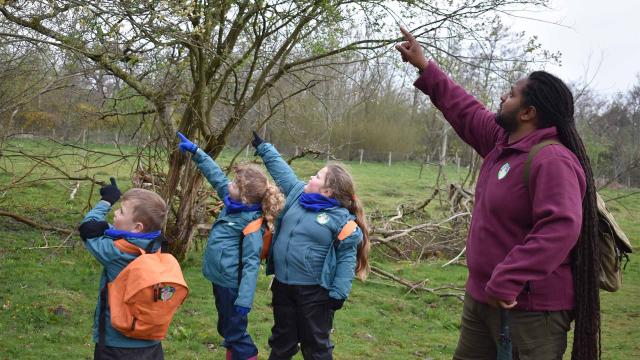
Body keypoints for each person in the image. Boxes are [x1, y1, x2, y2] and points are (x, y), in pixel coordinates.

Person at [396, 27, 600, 359]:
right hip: (482, 300)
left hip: (530, 311)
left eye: (512, 93)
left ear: (528, 113)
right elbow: (465, 109)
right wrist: (424, 66)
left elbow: (559, 228)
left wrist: (508, 277)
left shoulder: (552, 160)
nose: (503, 97)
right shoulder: (502, 143)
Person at [251, 131, 370, 360]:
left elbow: (346, 259)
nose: (310, 178)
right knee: (281, 342)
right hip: (283, 286)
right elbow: (281, 171)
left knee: (315, 346)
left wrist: (338, 293)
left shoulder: (341, 220)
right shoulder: (297, 195)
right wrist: (265, 148)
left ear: (327, 191)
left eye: (317, 176)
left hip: (315, 294)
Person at [177, 132, 284, 360]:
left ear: (245, 197)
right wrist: (197, 153)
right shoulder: (233, 204)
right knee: (227, 329)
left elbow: (251, 264)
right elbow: (215, 175)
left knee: (235, 333)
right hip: (220, 279)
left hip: (232, 288)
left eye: (235, 184)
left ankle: (248, 356)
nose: (229, 184)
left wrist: (244, 300)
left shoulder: (252, 224)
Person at [78, 178, 168, 360]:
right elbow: (127, 235)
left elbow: (88, 228)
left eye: (121, 211)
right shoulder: (157, 245)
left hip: (116, 344)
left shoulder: (115, 253)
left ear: (137, 227)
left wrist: (106, 201)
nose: (115, 213)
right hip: (151, 341)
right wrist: (109, 228)